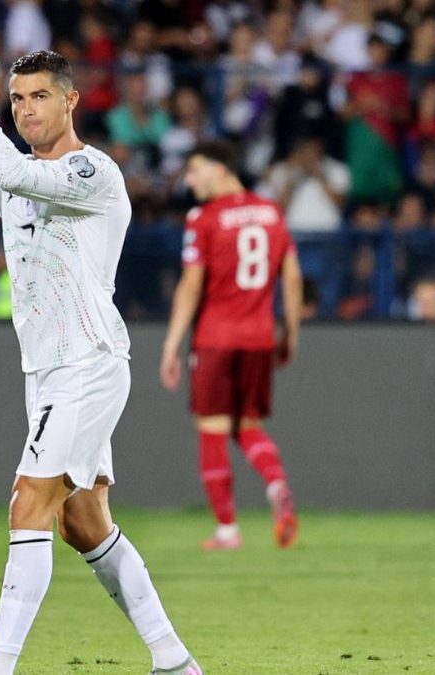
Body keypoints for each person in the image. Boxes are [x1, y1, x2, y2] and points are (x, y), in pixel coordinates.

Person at [0, 42, 201, 675]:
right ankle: (175, 662)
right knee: (84, 523)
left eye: (39, 96)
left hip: (88, 362)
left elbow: (18, 175)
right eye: (16, 98)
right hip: (46, 370)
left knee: (28, 501)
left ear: (71, 99)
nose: (25, 109)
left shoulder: (91, 173)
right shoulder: (21, 180)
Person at [160, 141, 304, 552]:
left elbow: (191, 284)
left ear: (221, 168)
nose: (189, 180)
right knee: (248, 426)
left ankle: (227, 530)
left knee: (213, 431)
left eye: (195, 170)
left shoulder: (203, 218)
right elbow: (291, 277)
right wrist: (290, 332)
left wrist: (171, 344)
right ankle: (276, 485)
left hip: (216, 339)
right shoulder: (271, 212)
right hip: (260, 337)